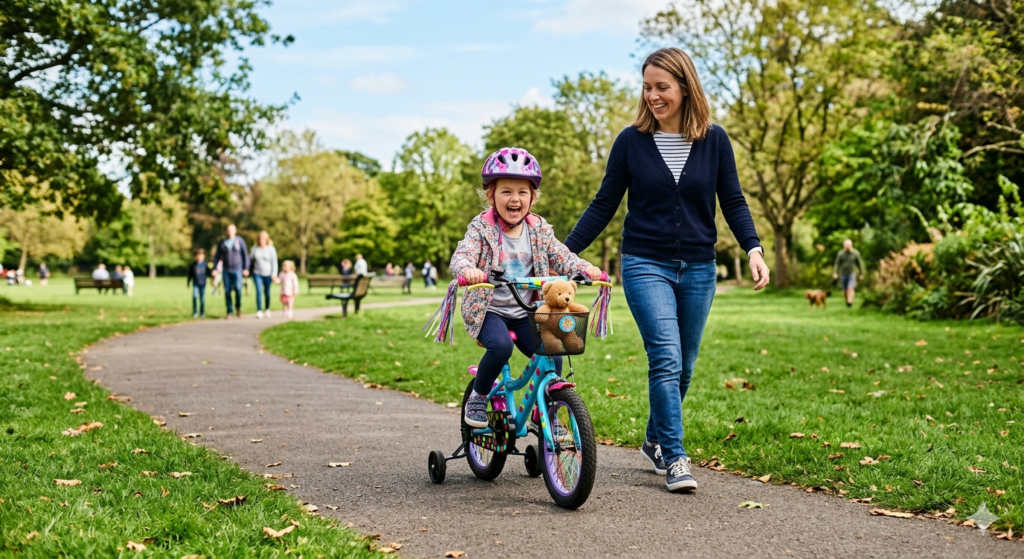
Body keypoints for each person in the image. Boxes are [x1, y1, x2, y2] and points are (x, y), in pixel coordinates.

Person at [564, 48, 769, 493]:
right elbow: (604, 204)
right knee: (666, 357)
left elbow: (732, 200)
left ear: (684, 86)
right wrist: (561, 254)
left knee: (686, 366)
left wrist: (753, 248)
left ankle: (654, 440)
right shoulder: (630, 141)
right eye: (647, 87)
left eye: (662, 87)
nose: (653, 96)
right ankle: (675, 457)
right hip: (644, 263)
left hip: (698, 266)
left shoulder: (714, 140)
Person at [451, 146, 602, 429]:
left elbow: (561, 255)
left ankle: (547, 408)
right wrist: (468, 269)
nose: (514, 198)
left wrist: (582, 268)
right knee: (501, 347)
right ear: (491, 195)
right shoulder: (481, 228)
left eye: (522, 192)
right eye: (506, 191)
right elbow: (464, 253)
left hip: (526, 311)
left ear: (533, 197)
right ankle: (479, 395)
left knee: (553, 349)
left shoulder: (540, 229)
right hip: (490, 310)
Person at [214, 224, 250, 318]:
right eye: (228, 230)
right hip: (226, 270)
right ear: (226, 231)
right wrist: (215, 268)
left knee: (238, 289)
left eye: (232, 229)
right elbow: (217, 256)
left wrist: (246, 268)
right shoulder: (222, 242)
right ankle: (229, 311)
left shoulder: (240, 241)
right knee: (227, 291)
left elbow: (245, 255)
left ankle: (238, 308)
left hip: (238, 269)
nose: (230, 231)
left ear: (235, 231)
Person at [250, 230, 279, 319]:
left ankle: (267, 309)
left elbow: (274, 262)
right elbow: (250, 260)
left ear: (266, 239)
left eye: (263, 239)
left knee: (267, 292)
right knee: (259, 291)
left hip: (268, 274)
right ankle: (259, 310)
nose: (261, 240)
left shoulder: (271, 249)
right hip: (257, 273)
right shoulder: (254, 249)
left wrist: (274, 274)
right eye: (260, 239)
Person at [833, 239, 865, 308]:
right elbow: (836, 264)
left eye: (848, 244)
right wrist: (835, 273)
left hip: (852, 273)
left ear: (851, 245)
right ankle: (847, 301)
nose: (847, 246)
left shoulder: (855, 253)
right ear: (844, 245)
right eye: (846, 244)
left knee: (850, 288)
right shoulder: (840, 253)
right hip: (843, 273)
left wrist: (861, 273)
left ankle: (849, 302)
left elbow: (859, 264)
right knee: (844, 290)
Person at [187, 249, 212, 318]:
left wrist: (213, 277)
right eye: (198, 255)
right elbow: (190, 275)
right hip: (195, 284)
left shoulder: (205, 264)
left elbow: (209, 273)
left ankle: (202, 313)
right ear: (195, 256)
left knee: (202, 299)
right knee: (195, 297)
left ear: (203, 256)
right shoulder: (193, 265)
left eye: (201, 255)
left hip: (203, 284)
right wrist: (188, 283)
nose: (199, 257)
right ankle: (195, 312)